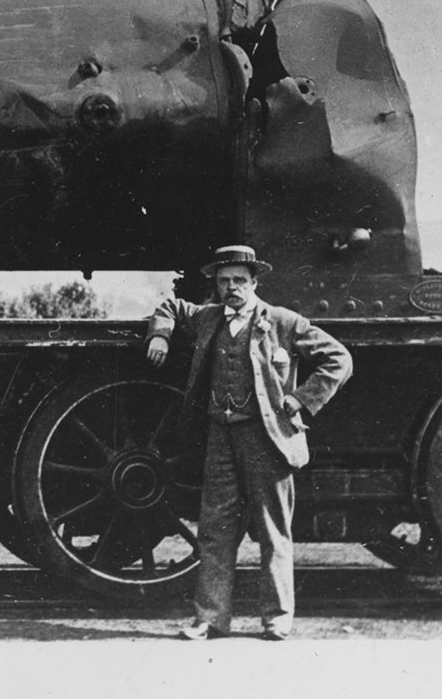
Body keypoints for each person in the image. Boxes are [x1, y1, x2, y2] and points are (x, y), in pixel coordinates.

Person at [144, 244, 351, 640]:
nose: (231, 288)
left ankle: (277, 619)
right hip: (221, 437)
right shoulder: (208, 319)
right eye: (224, 281)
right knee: (215, 530)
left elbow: (338, 358)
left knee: (273, 531)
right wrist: (161, 336)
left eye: (239, 280)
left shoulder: (283, 322)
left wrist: (301, 400)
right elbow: (170, 307)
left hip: (268, 439)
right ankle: (210, 619)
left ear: (255, 282)